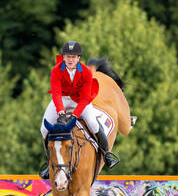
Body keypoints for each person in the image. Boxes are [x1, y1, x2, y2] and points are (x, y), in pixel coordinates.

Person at [38, 41, 119, 179]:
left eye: (73, 57)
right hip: (62, 99)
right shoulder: (56, 70)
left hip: (80, 101)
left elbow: (86, 97)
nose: (70, 59)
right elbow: (56, 93)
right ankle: (50, 162)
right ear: (63, 57)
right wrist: (61, 112)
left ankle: (107, 155)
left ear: (78, 58)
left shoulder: (86, 72)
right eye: (68, 56)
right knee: (44, 129)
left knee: (93, 124)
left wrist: (74, 115)